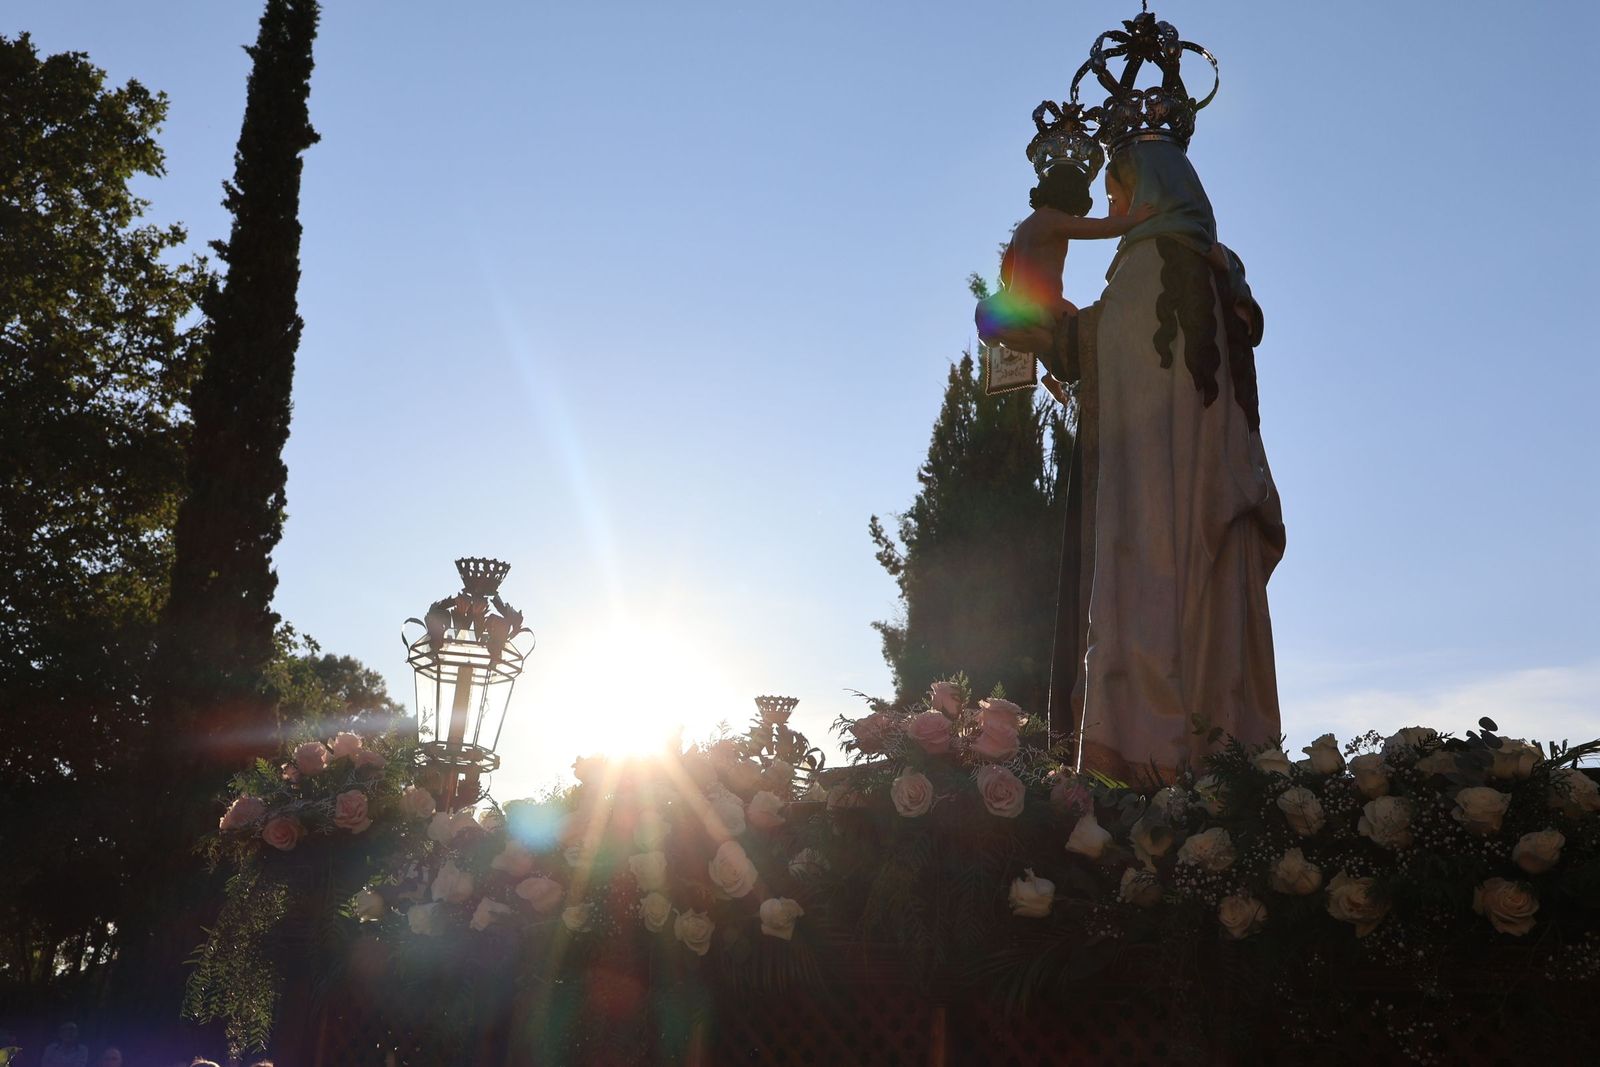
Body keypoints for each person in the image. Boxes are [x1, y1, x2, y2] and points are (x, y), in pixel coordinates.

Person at [985, 137, 1284, 782]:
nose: (1116, 201)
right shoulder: (1212, 264)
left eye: (1121, 187)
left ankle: (1149, 754)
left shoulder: (1151, 258)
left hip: (1153, 481)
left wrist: (1050, 331)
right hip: (1202, 472)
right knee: (1196, 611)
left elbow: (1122, 357)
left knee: (1152, 602)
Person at [975, 163, 1156, 394]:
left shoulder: (1023, 228)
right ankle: (1053, 374)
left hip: (1020, 307)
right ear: (1070, 194)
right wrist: (1135, 219)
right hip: (1048, 307)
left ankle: (1051, 375)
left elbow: (1005, 272)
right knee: (1092, 332)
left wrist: (1015, 294)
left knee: (1045, 340)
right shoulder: (1054, 220)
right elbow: (1101, 228)